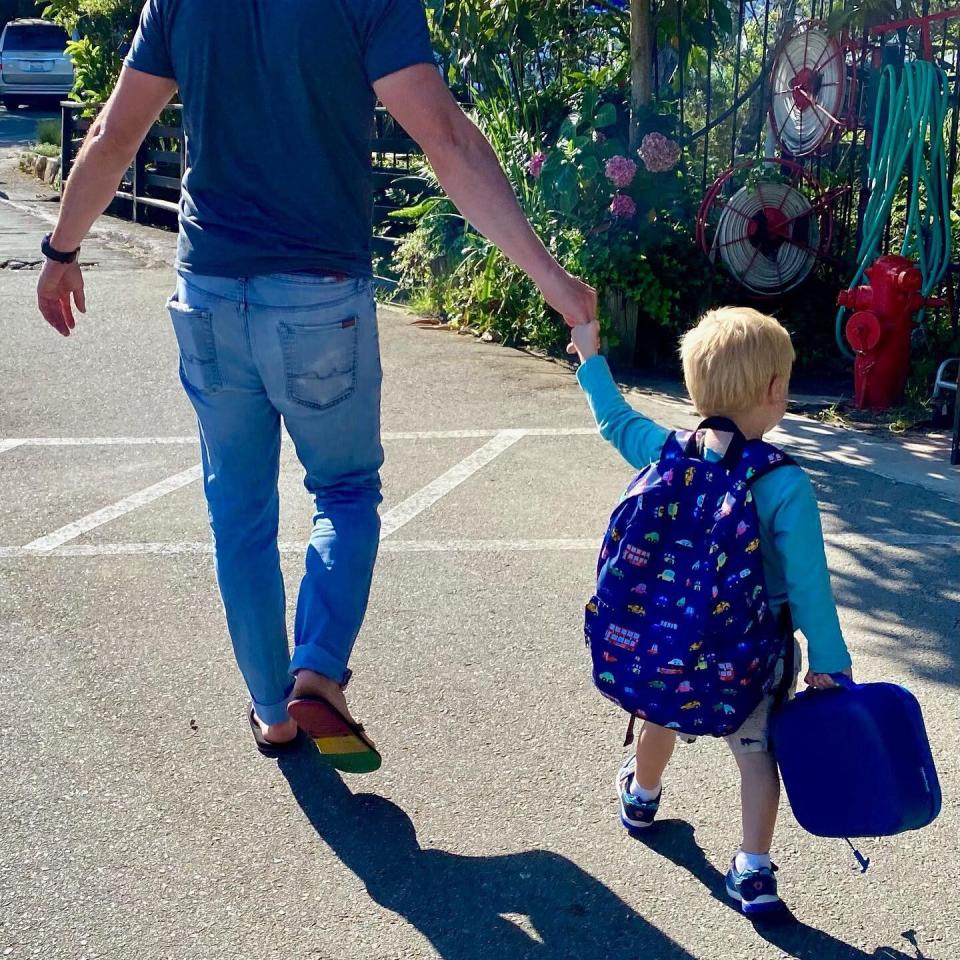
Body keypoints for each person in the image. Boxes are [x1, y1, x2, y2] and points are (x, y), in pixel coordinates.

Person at [35, 0, 596, 769]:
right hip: (318, 296)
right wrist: (557, 287)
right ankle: (319, 671)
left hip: (208, 294)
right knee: (344, 488)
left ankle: (273, 712)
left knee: (238, 512)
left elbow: (112, 135)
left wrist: (62, 249)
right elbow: (447, 138)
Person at [567, 309, 853, 914]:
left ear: (695, 387)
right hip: (747, 652)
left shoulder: (665, 452)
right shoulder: (783, 484)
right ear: (775, 391)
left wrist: (590, 357)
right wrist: (830, 662)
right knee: (756, 755)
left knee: (658, 717)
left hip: (666, 646)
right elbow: (808, 586)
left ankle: (642, 796)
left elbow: (615, 420)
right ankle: (753, 871)